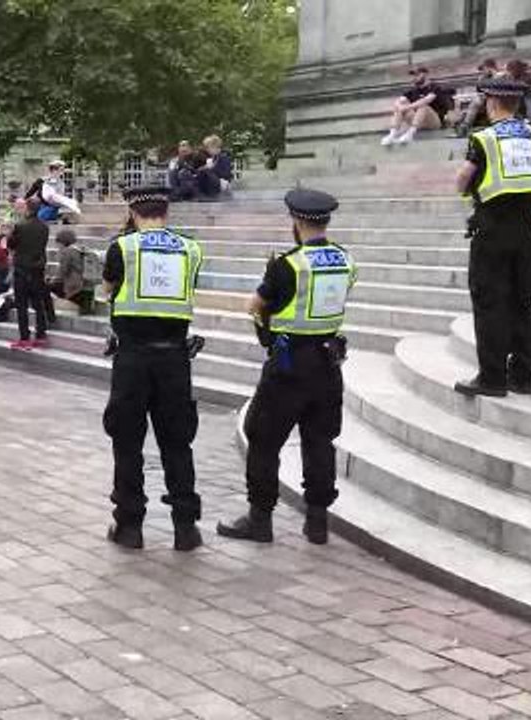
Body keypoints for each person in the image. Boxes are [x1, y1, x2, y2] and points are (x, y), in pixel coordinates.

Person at [217, 189, 357, 545]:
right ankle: (317, 521)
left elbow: (255, 305)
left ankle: (260, 519)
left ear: (296, 221)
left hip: (290, 365)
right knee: (320, 441)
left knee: (262, 439)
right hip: (328, 363)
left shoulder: (288, 265)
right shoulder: (345, 259)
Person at [102, 185, 203, 552]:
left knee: (127, 442)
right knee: (178, 442)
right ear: (166, 212)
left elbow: (108, 289)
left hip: (133, 359)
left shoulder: (123, 247)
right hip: (175, 359)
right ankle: (185, 527)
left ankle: (130, 526)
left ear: (133, 212)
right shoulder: (191, 249)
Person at [454, 77, 531, 396]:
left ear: (492, 102)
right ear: (518, 103)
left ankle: (492, 378)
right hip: (525, 229)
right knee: (523, 302)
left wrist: (465, 187)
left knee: (490, 302)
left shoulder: (485, 137)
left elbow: (463, 179)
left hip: (492, 230)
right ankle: (522, 375)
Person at [7, 196, 51, 349]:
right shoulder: (44, 226)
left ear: (27, 207)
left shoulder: (20, 225)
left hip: (22, 268)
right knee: (38, 304)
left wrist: (9, 234)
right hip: (37, 267)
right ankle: (41, 334)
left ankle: (24, 337)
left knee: (22, 305)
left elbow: (11, 244)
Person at [381, 66, 452, 146]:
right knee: (400, 106)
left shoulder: (435, 87)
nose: (414, 77)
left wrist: (407, 107)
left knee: (423, 106)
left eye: (417, 75)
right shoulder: (413, 91)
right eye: (413, 75)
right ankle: (392, 135)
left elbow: (426, 100)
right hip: (419, 121)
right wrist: (400, 106)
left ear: (425, 74)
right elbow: (398, 101)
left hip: (435, 122)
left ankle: (410, 134)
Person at [49, 229, 95, 314]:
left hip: (74, 286)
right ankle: (84, 304)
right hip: (86, 285)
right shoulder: (80, 249)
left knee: (46, 287)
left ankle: (51, 310)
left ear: (62, 242)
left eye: (58, 243)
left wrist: (51, 281)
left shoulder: (67, 252)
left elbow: (62, 272)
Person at [455, 59, 500, 137]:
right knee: (475, 101)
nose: (482, 72)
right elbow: (479, 91)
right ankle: (464, 125)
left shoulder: (500, 75)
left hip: (500, 99)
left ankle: (465, 126)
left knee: (476, 102)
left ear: (490, 68)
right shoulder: (482, 78)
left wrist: (494, 75)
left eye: (484, 69)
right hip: (485, 100)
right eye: (482, 70)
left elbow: (500, 88)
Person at [195, 135, 234, 200]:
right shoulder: (212, 158)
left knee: (205, 172)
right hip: (215, 181)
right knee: (201, 172)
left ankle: (212, 195)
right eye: (206, 147)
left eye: (208, 147)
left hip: (222, 182)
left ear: (215, 147)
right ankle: (202, 194)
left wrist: (211, 169)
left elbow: (226, 174)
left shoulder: (223, 157)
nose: (207, 150)